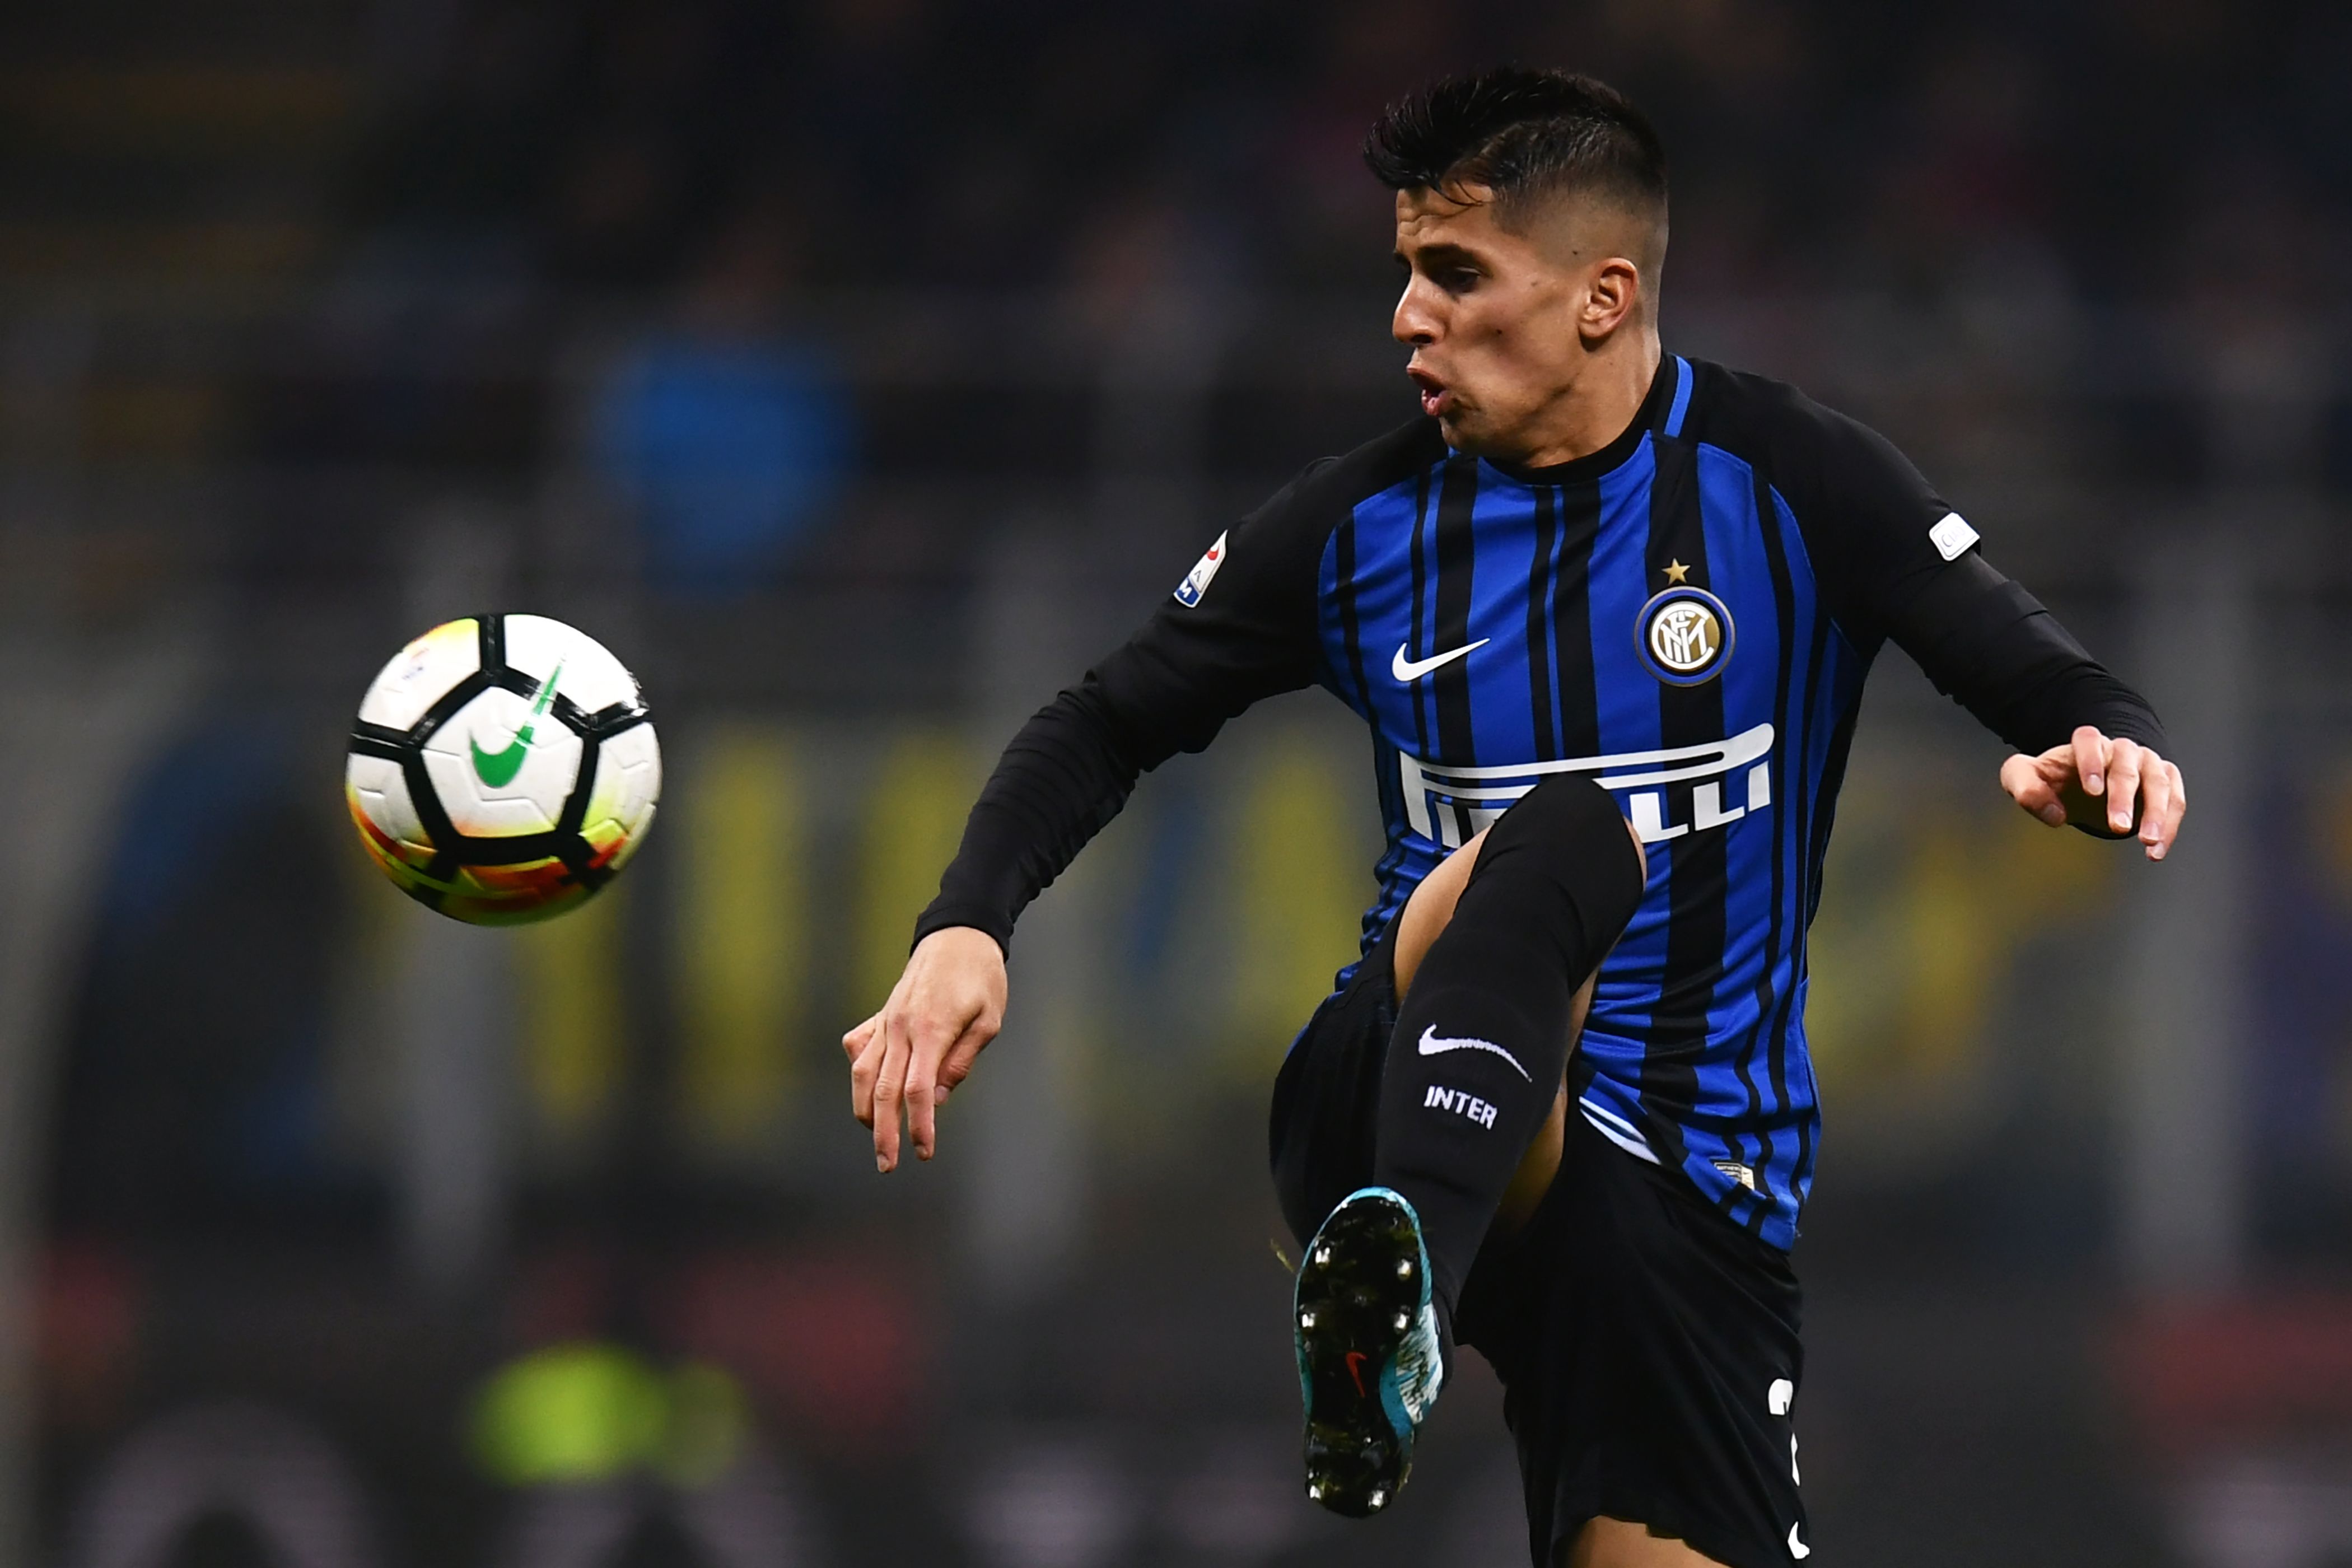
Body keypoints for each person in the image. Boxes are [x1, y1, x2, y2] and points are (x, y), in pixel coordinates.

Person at [842, 68, 2185, 1568]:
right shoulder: (1362, 525)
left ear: (1604, 296)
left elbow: (2038, 664)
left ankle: (1403, 1302)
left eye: (1455, 274)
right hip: (1391, 1103)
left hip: (1686, 1207)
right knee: (1570, 833)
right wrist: (964, 920)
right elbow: (1103, 716)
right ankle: (1392, 1290)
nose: (1409, 318)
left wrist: (2107, 752)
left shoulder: (1794, 483)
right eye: (1406, 274)